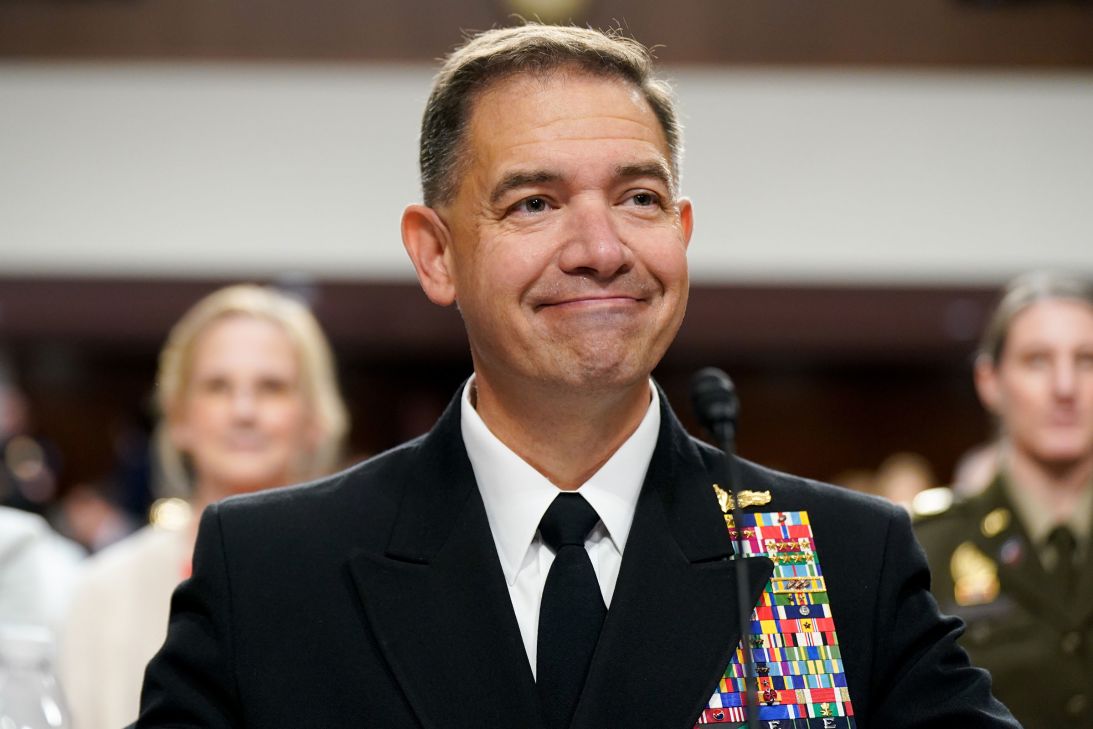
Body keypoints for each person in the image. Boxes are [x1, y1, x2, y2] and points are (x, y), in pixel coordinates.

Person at [136, 25, 1018, 728]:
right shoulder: (276, 568)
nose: (602, 251)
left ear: (681, 230)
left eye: (638, 199)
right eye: (535, 203)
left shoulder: (827, 554)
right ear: (435, 253)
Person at [59, 284, 349, 729]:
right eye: (217, 387)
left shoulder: (359, 577)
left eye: (272, 387)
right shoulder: (106, 590)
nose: (243, 410)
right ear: (178, 418)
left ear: (314, 416)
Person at [915, 272, 1093, 728]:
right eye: (1037, 361)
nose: (1065, 388)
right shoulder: (927, 549)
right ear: (990, 381)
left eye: (1087, 360)